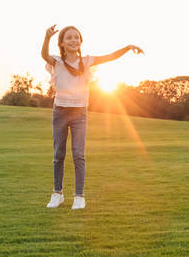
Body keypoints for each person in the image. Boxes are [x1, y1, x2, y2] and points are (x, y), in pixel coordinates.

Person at [41, 25, 143, 210]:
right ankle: (57, 194)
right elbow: (44, 55)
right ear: (62, 43)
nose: (74, 40)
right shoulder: (57, 61)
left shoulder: (87, 61)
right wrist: (47, 37)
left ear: (80, 41)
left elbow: (110, 57)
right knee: (59, 155)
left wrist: (128, 47)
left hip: (80, 112)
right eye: (69, 38)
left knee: (79, 155)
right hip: (61, 111)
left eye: (77, 37)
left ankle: (79, 197)